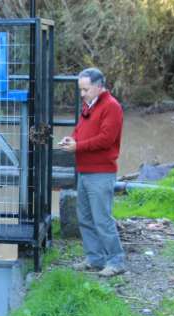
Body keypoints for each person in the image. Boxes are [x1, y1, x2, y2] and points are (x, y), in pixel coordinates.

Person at [59, 67, 125, 277]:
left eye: (85, 89)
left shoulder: (111, 107)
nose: (82, 94)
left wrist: (78, 147)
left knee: (102, 219)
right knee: (85, 217)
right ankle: (95, 258)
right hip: (85, 170)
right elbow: (81, 130)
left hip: (101, 172)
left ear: (98, 87)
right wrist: (71, 139)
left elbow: (106, 139)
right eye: (80, 89)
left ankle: (116, 261)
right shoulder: (90, 105)